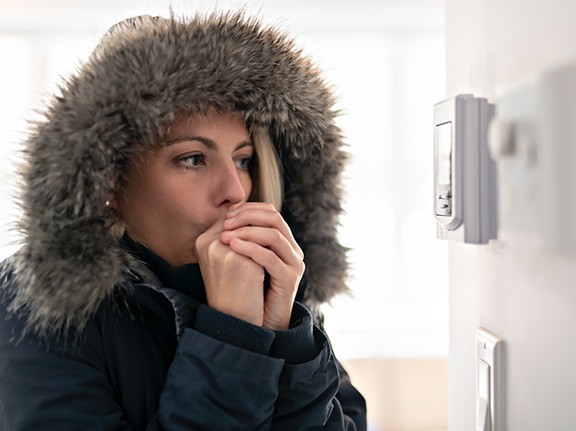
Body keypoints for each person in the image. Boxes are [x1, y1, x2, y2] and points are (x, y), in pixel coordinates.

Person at [0, 12, 367, 430]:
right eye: (192, 159)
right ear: (110, 179)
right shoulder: (39, 305)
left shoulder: (274, 285)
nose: (235, 190)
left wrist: (286, 335)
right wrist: (231, 337)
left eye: (244, 160)